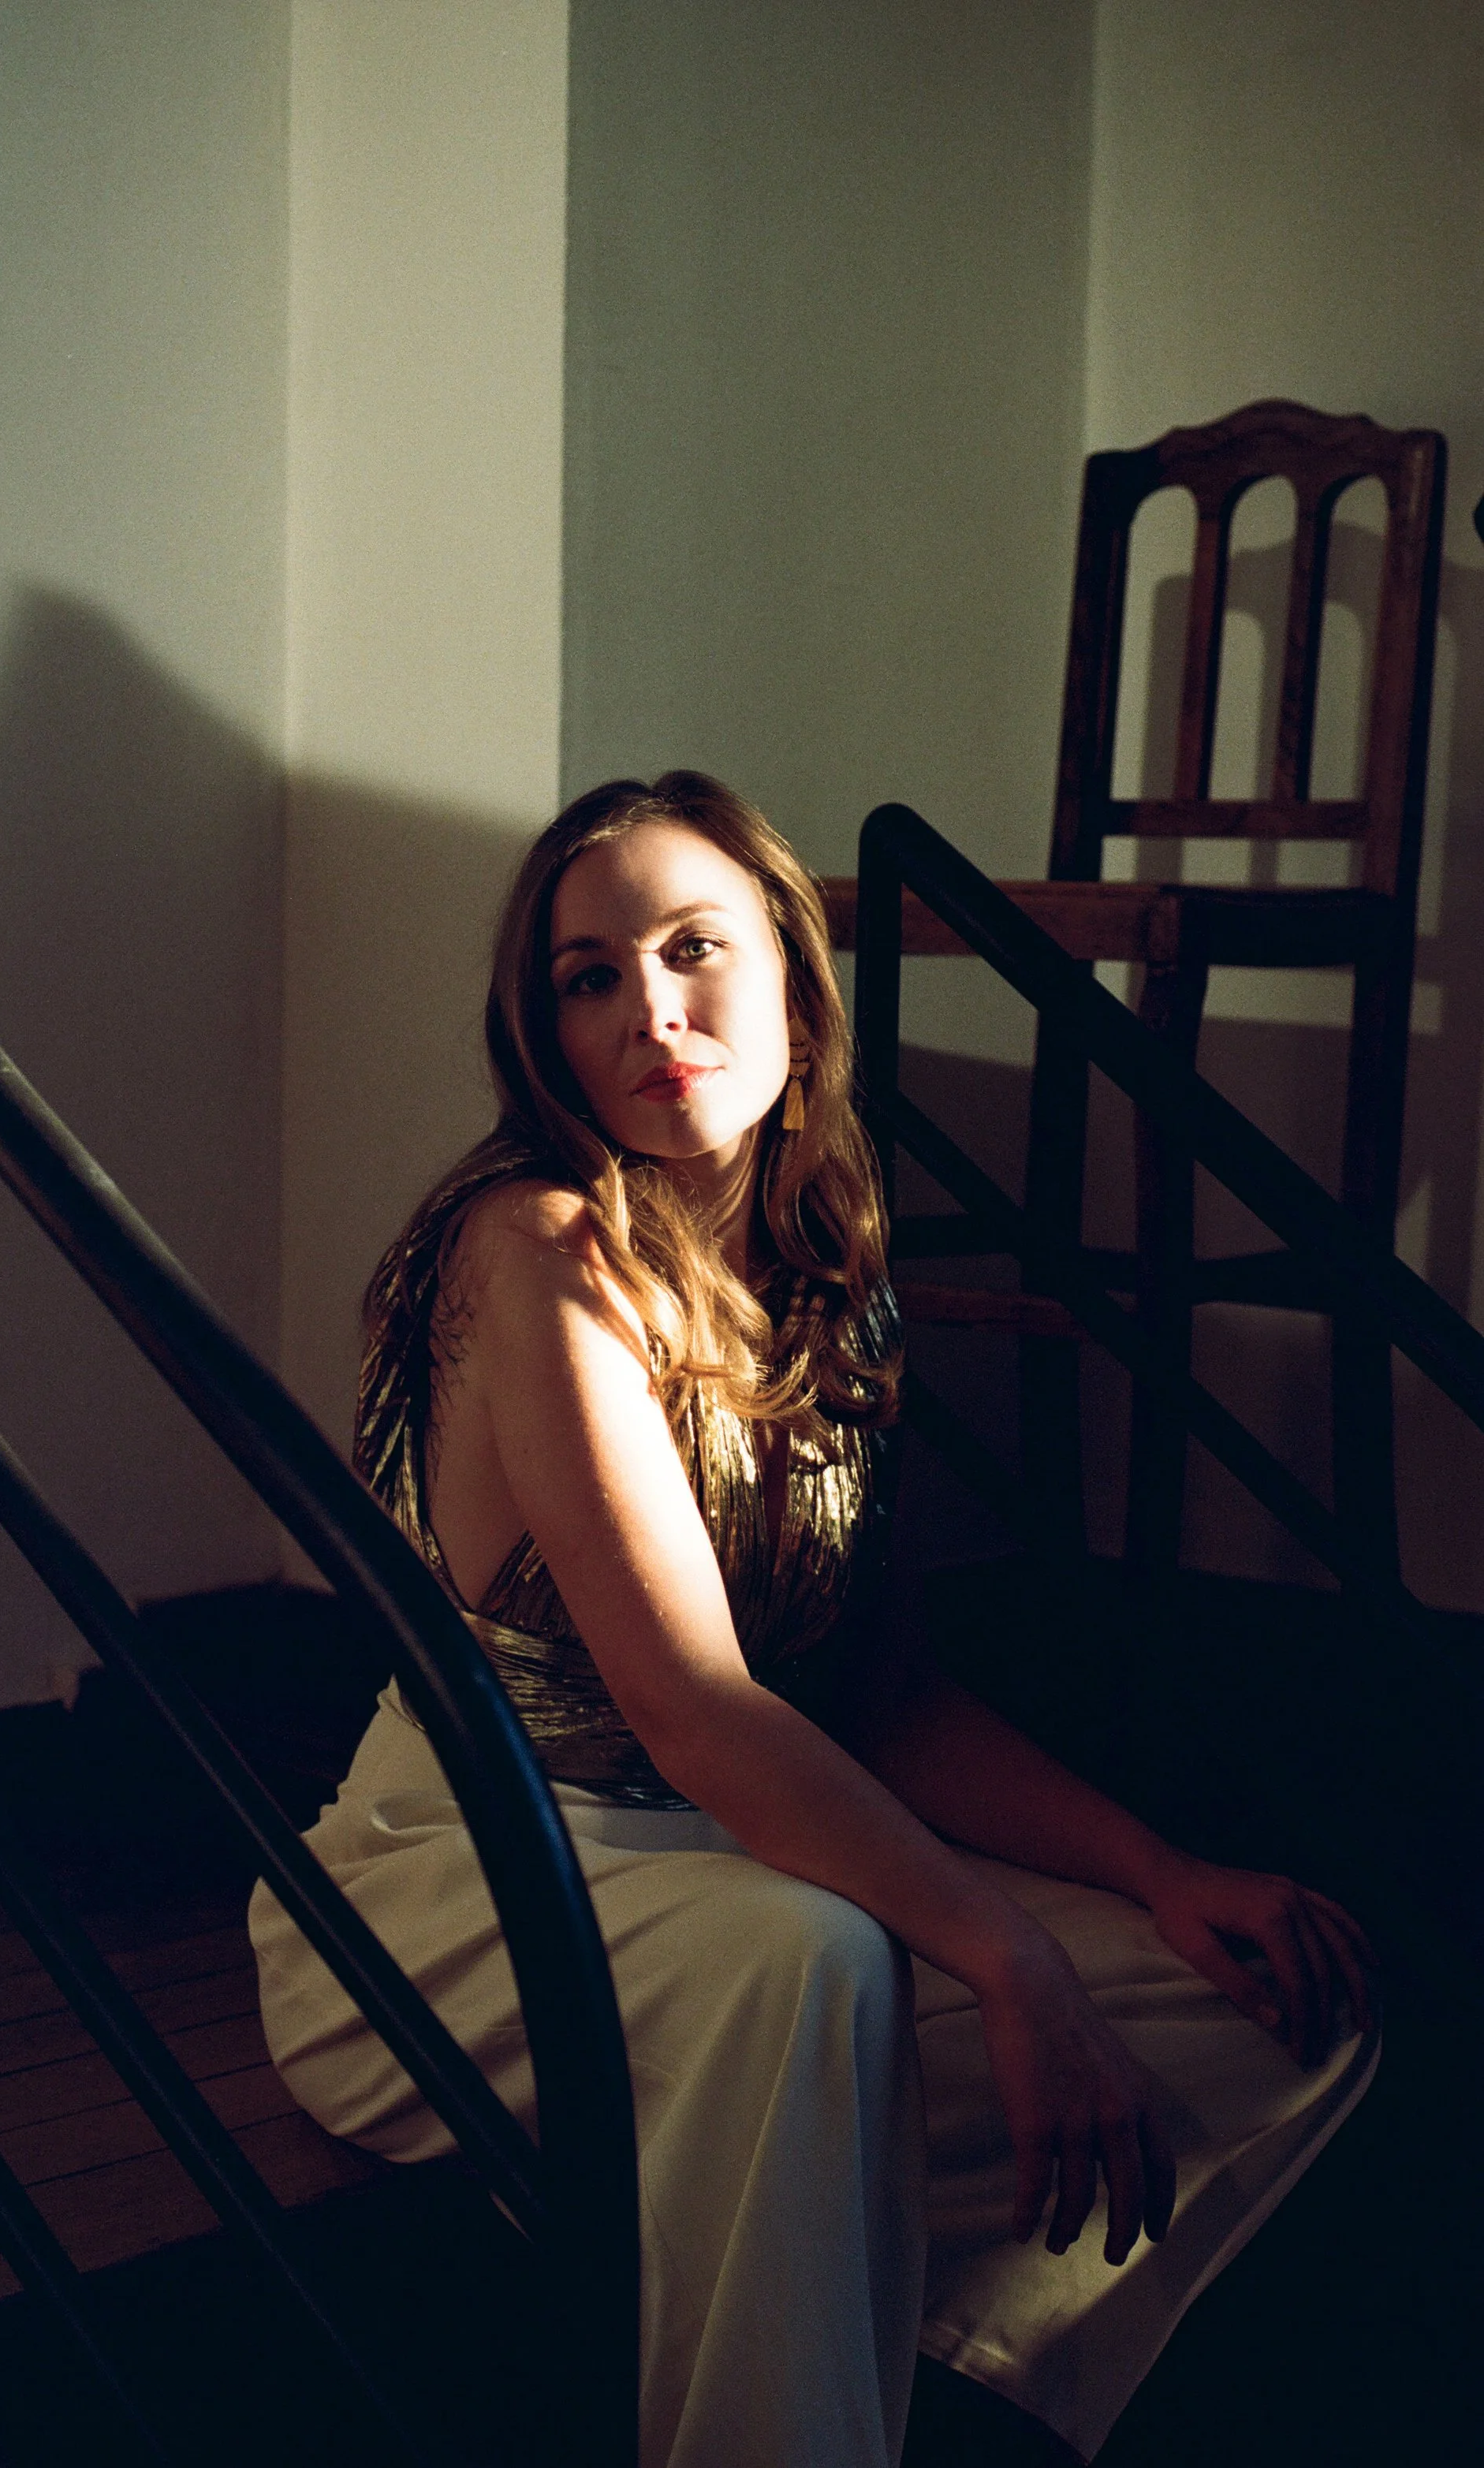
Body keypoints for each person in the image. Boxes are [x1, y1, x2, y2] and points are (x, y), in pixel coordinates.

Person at [250, 771, 1376, 2468]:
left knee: (1263, 2008)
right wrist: (999, 1945)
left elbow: (881, 1694)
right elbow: (702, 1709)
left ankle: (895, 2359)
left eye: (694, 946)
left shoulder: (825, 1268)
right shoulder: (532, 1241)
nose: (649, 1007)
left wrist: (1151, 1875)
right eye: (588, 974)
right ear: (541, 1031)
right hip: (466, 1882)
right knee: (822, 1956)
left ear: (789, 970)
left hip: (736, 1857)